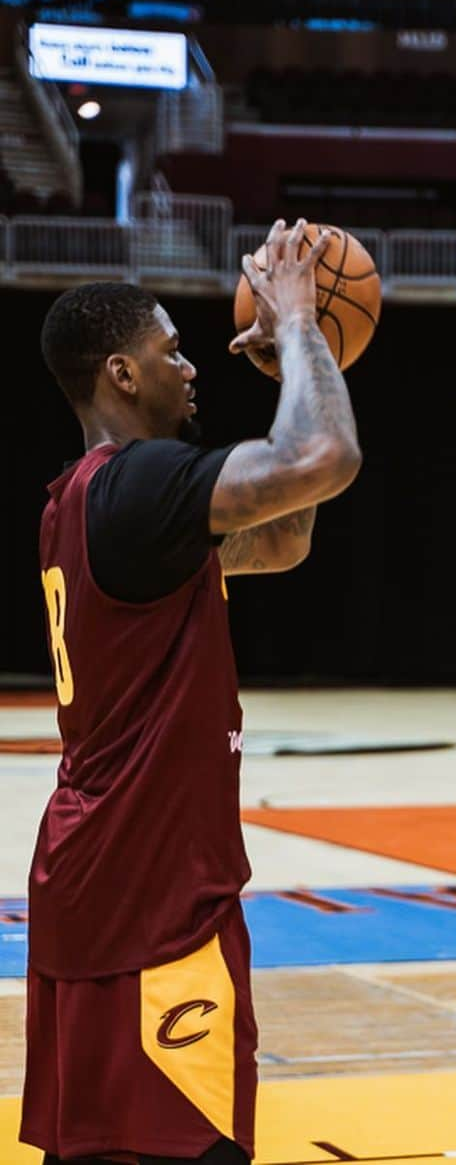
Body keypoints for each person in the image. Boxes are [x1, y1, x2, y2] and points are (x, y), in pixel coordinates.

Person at [22, 219, 362, 1165]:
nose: (192, 365)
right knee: (199, 1151)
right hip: (155, 897)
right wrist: (302, 329)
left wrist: (293, 378)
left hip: (87, 887)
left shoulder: (81, 499)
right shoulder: (142, 486)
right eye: (171, 350)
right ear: (122, 375)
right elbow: (322, 462)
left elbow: (286, 536)